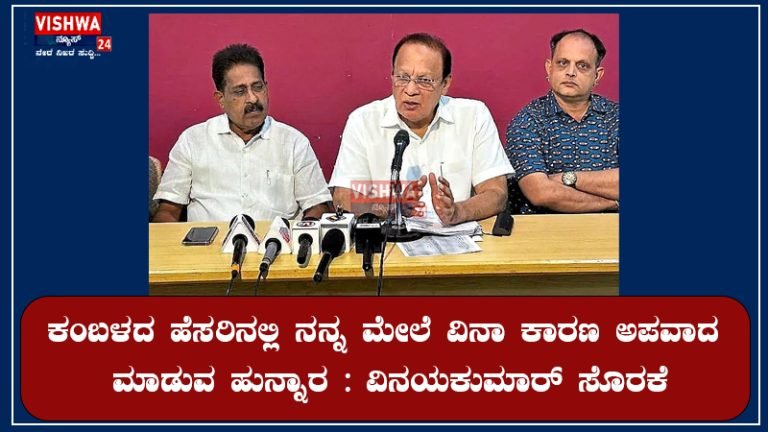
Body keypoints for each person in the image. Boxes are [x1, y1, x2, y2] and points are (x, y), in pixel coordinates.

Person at [329, 33, 512, 226]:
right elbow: (343, 197)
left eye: (424, 80)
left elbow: (496, 193)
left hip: (456, 239)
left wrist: (458, 211)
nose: (410, 90)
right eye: (402, 78)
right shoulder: (363, 121)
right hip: (390, 239)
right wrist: (393, 208)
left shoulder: (473, 116)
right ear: (392, 76)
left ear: (445, 84)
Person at [153, 44, 332, 222]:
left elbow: (317, 206)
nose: (253, 98)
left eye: (258, 87)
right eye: (240, 91)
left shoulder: (293, 143)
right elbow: (168, 211)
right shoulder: (192, 141)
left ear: (266, 88)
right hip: (209, 239)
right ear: (221, 99)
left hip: (275, 239)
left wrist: (304, 233)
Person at [505, 29, 619, 214]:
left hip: (611, 227)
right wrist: (613, 203)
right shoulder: (527, 121)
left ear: (597, 75)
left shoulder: (616, 117)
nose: (571, 72)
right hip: (544, 228)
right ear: (549, 68)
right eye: (563, 63)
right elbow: (540, 193)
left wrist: (568, 178)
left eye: (582, 66)